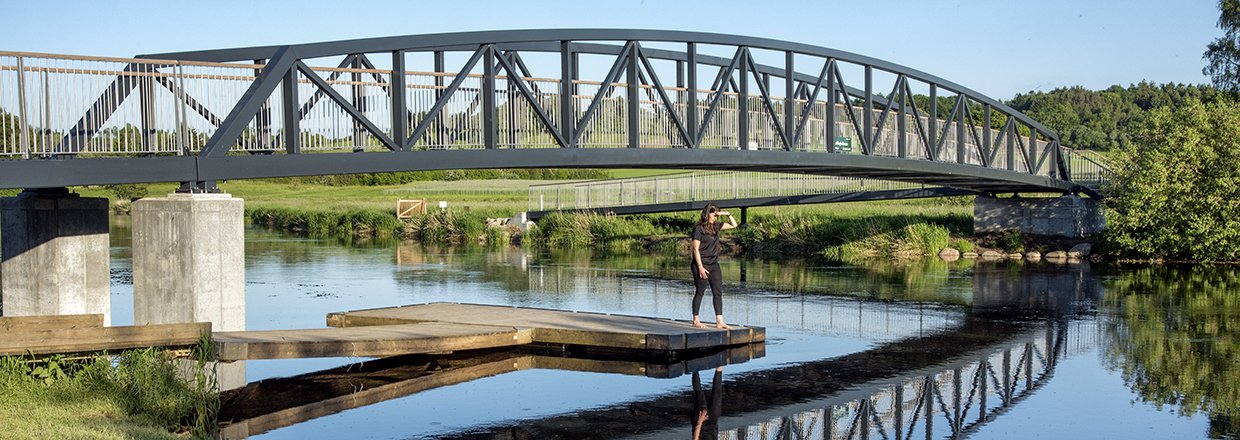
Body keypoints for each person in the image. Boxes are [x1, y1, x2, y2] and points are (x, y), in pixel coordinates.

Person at [690, 203, 737, 329]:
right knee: (700, 292)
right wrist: (700, 267)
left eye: (716, 213)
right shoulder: (699, 228)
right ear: (707, 213)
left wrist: (728, 214)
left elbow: (734, 225)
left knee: (718, 292)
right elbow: (695, 249)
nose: (715, 215)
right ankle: (696, 320)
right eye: (713, 212)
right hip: (701, 264)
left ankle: (720, 321)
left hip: (714, 264)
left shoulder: (716, 226)